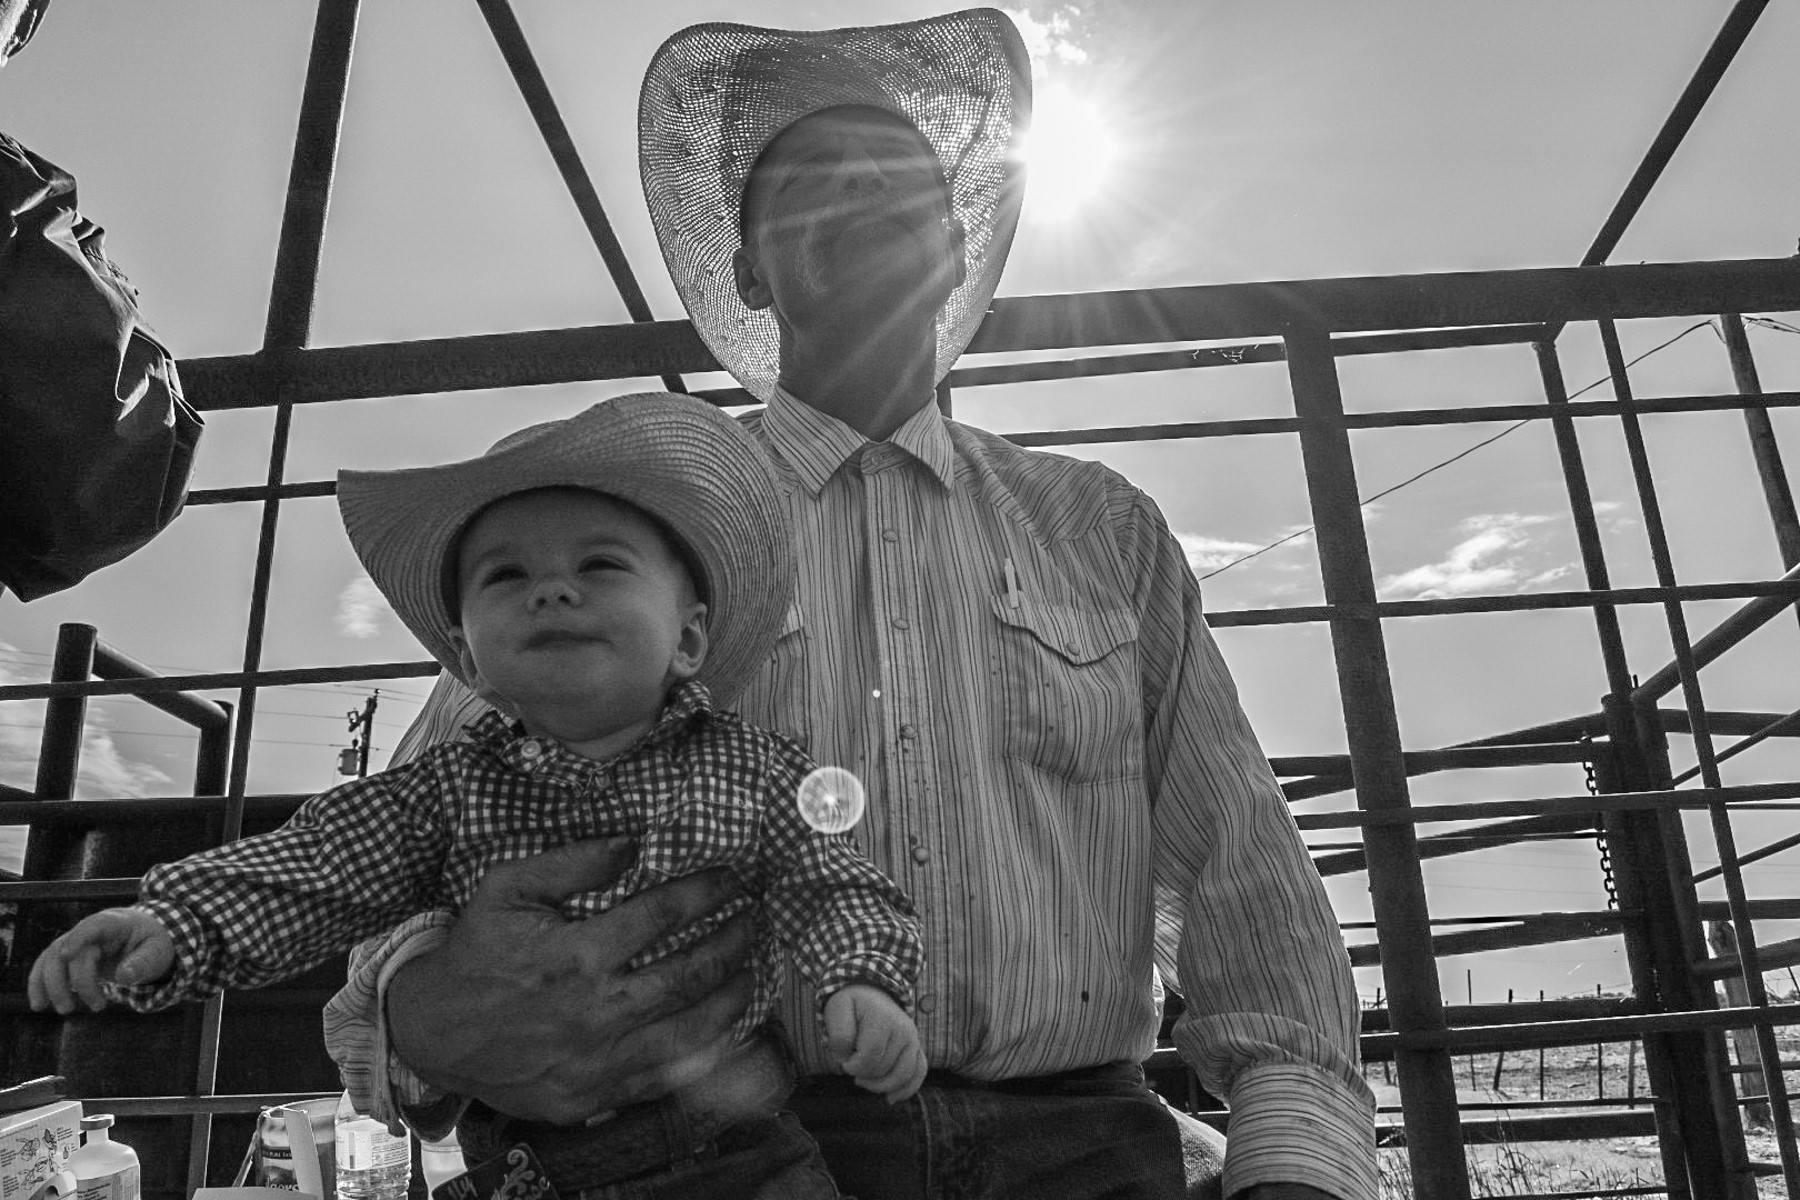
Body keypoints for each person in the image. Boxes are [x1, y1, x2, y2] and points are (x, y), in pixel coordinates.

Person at [327, 9, 1377, 1199]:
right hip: (715, 1152)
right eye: (806, 191)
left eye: (898, 184)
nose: (858, 203)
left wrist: (1294, 1164)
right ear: (750, 270)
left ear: (951, 241)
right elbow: (411, 846)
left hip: (1079, 1143)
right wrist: (420, 1007)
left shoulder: (1100, 527)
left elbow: (1248, 880)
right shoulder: (638, 527)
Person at [26, 392, 927, 1199]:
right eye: (506, 577)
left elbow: (835, 882)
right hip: (532, 1164)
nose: (553, 589)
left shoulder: (756, 769)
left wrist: (865, 981)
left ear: (688, 640)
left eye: (602, 565)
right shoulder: (446, 793)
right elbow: (314, 866)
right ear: (465, 658)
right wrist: (176, 925)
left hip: (745, 1153)